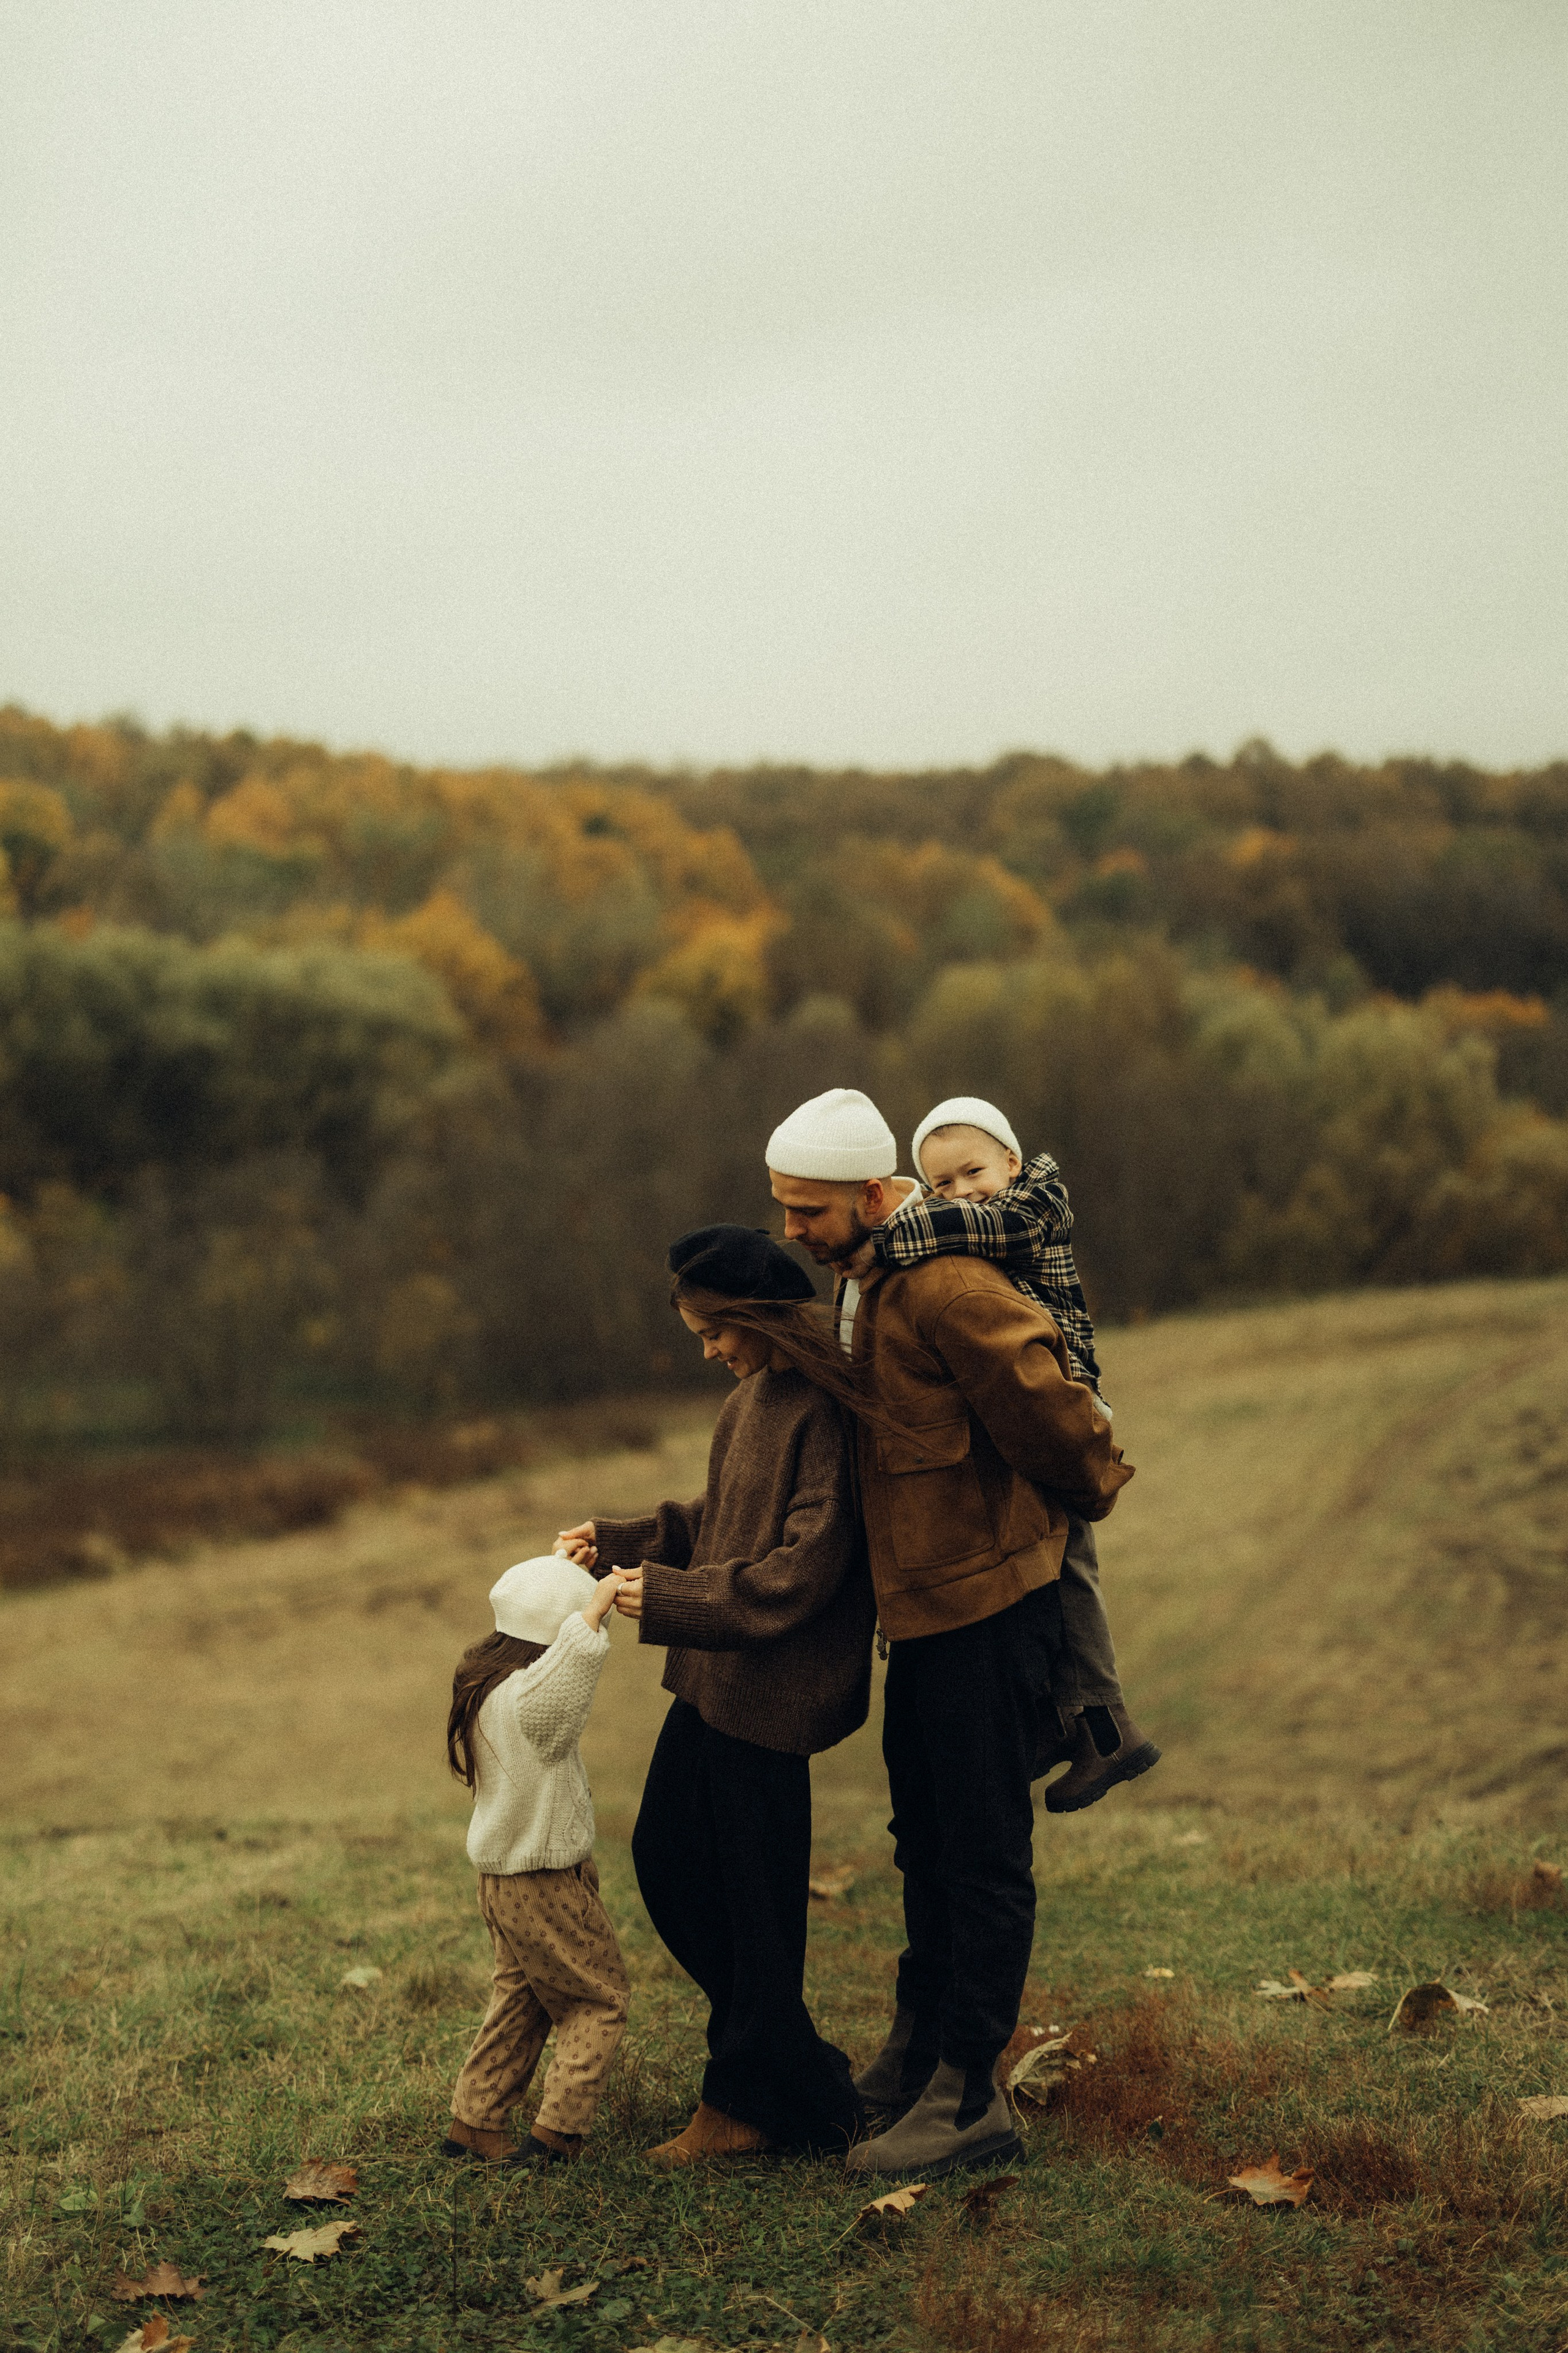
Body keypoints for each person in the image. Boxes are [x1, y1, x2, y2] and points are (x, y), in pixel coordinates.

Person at [766, 1088, 1134, 2180]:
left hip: (989, 1610)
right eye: (782, 1209)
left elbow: (1059, 1410)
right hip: (921, 1617)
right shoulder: (866, 1287)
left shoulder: (947, 1284)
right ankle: (919, 2052)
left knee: (979, 1854)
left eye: (809, 1211)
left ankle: (973, 2095)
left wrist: (1087, 1491)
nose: (793, 1229)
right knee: (922, 1843)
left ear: (878, 1196)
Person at [554, 1224, 878, 2167]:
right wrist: (621, 1540)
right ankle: (802, 2081)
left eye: (714, 1331)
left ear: (755, 1316)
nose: (710, 1350)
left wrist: (681, 1598)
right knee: (666, 1856)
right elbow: (716, 1519)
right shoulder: (751, 1401)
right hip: (711, 1683)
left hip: (772, 1696)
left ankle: (748, 2101)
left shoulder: (824, 1409)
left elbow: (806, 1568)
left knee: (756, 1909)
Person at [853, 1093, 1159, 1814]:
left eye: (972, 1170)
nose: (961, 1192)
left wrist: (891, 1233)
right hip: (1046, 1386)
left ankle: (1107, 1728)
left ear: (1012, 1161)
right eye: (941, 1184)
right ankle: (1068, 1722)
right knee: (1052, 1559)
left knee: (1071, 1562)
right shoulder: (976, 1216)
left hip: (1070, 1393)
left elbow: (980, 1224)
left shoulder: (1034, 1204)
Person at [442, 1554, 629, 2169]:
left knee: (520, 1998)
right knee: (596, 2000)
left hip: (500, 1881)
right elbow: (570, 1664)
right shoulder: (535, 1704)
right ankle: (557, 2137)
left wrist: (557, 1565)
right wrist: (595, 1608)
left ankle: (475, 2123)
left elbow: (549, 1634)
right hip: (545, 1880)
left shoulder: (484, 1683)